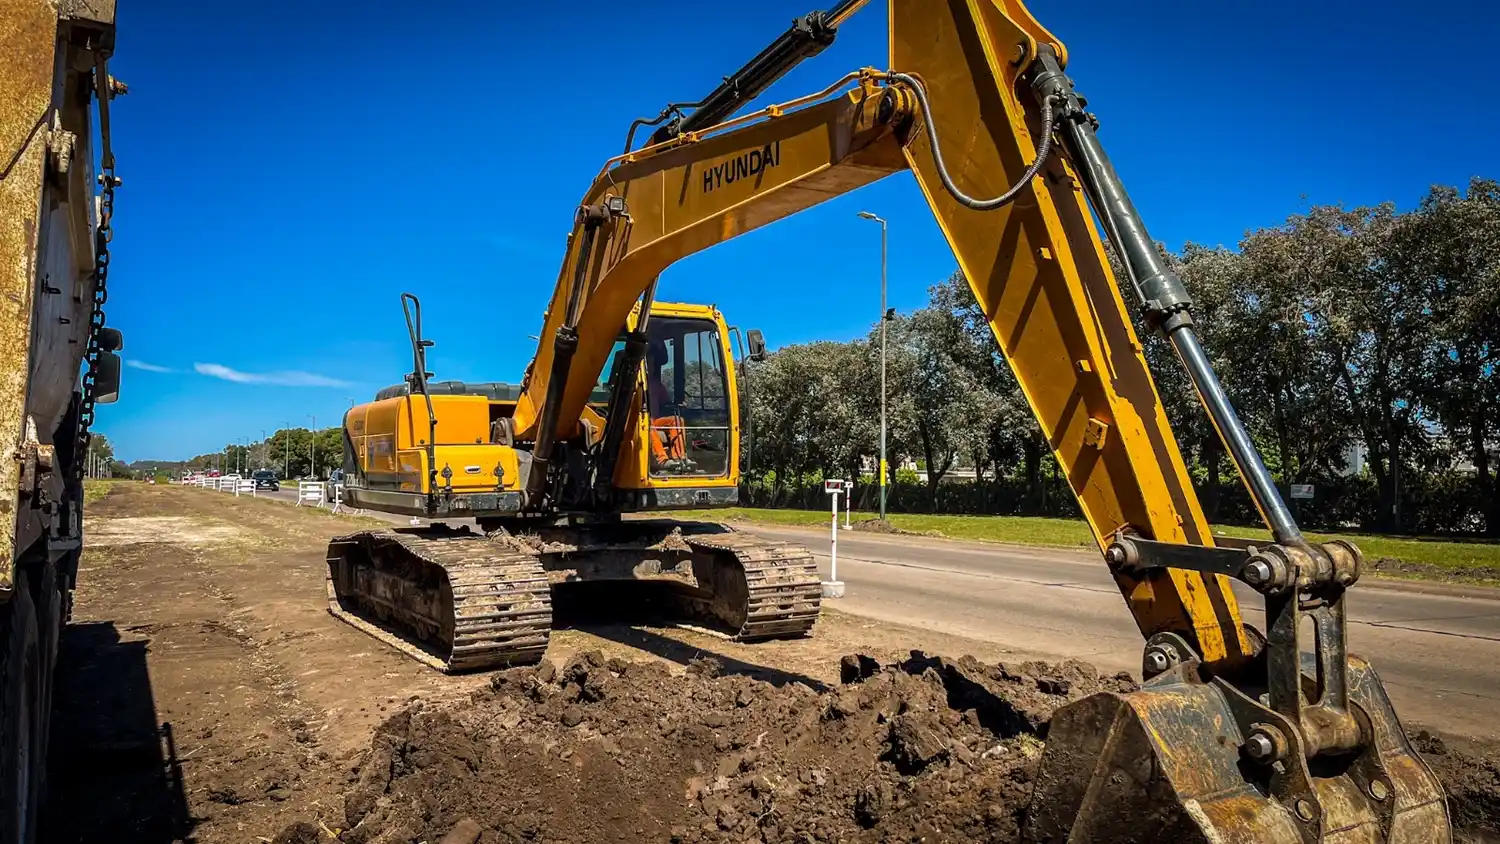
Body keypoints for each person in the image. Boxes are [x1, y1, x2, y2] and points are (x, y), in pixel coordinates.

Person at [645, 341, 688, 470]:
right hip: (639, 422)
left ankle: (679, 457)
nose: (651, 367)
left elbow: (666, 403)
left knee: (677, 420)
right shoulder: (635, 383)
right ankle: (662, 459)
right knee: (647, 424)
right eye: (648, 364)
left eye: (652, 364)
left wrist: (678, 405)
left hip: (655, 420)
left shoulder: (657, 385)